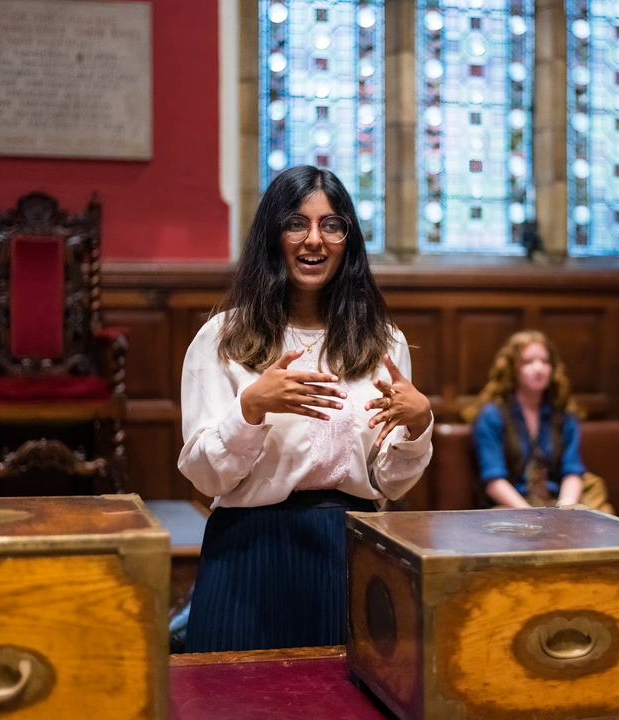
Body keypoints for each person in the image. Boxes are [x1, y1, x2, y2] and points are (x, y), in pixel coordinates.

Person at [178, 166, 433, 653]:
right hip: (249, 553)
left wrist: (418, 424)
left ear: (348, 239)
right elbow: (205, 479)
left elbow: (388, 483)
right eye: (297, 222)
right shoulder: (222, 339)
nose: (314, 239)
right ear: (273, 234)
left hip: (351, 549)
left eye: (331, 224)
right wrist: (250, 408)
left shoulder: (382, 341)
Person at [464, 330, 613, 512]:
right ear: (513, 369)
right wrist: (531, 514)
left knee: (599, 511)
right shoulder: (492, 415)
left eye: (545, 361)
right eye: (528, 362)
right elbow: (494, 481)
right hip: (512, 507)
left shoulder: (563, 415)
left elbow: (572, 471)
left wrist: (566, 510)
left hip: (556, 503)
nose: (539, 368)